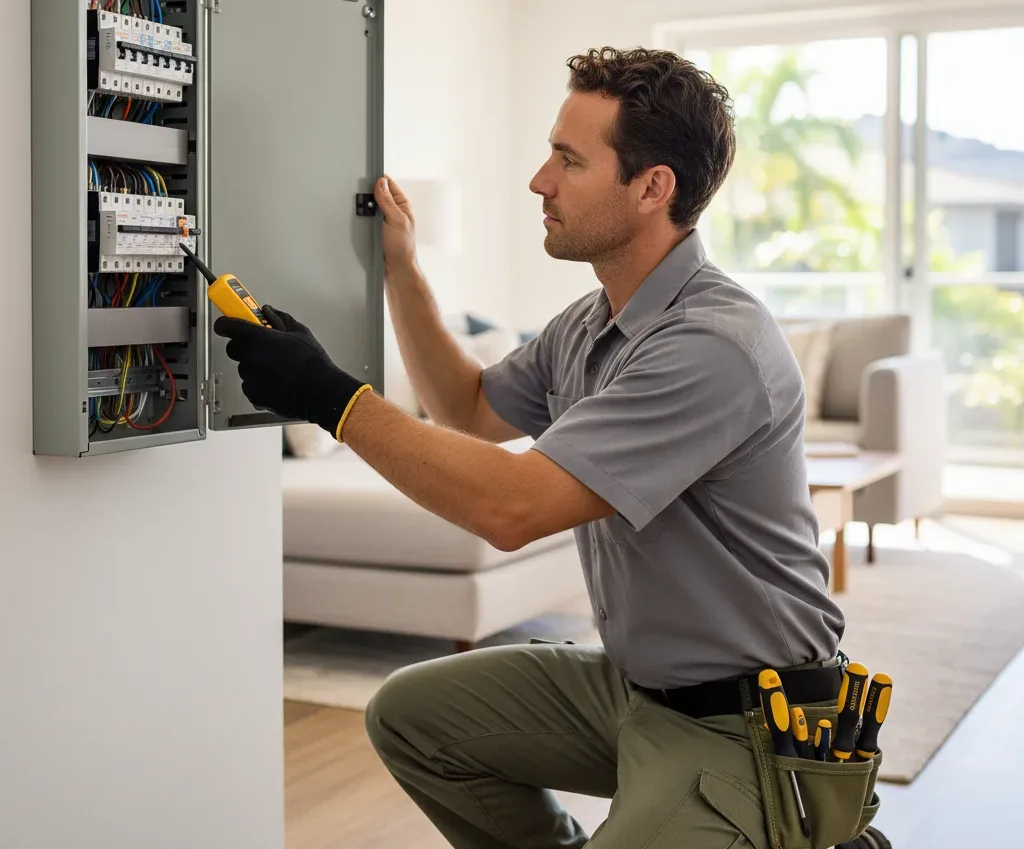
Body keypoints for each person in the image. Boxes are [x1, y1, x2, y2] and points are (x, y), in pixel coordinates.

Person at [217, 47, 849, 847]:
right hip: (636, 689)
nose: (539, 180)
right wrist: (402, 270)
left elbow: (510, 507)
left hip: (747, 721)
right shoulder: (589, 324)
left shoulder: (712, 344)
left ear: (653, 188)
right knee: (412, 717)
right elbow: (468, 408)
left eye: (568, 159)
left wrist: (329, 396)